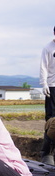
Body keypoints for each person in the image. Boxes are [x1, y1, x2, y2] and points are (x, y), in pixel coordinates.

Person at [40, 26, 55, 165]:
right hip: (52, 86)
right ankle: (47, 151)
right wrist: (44, 83)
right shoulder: (48, 48)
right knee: (52, 119)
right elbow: (43, 66)